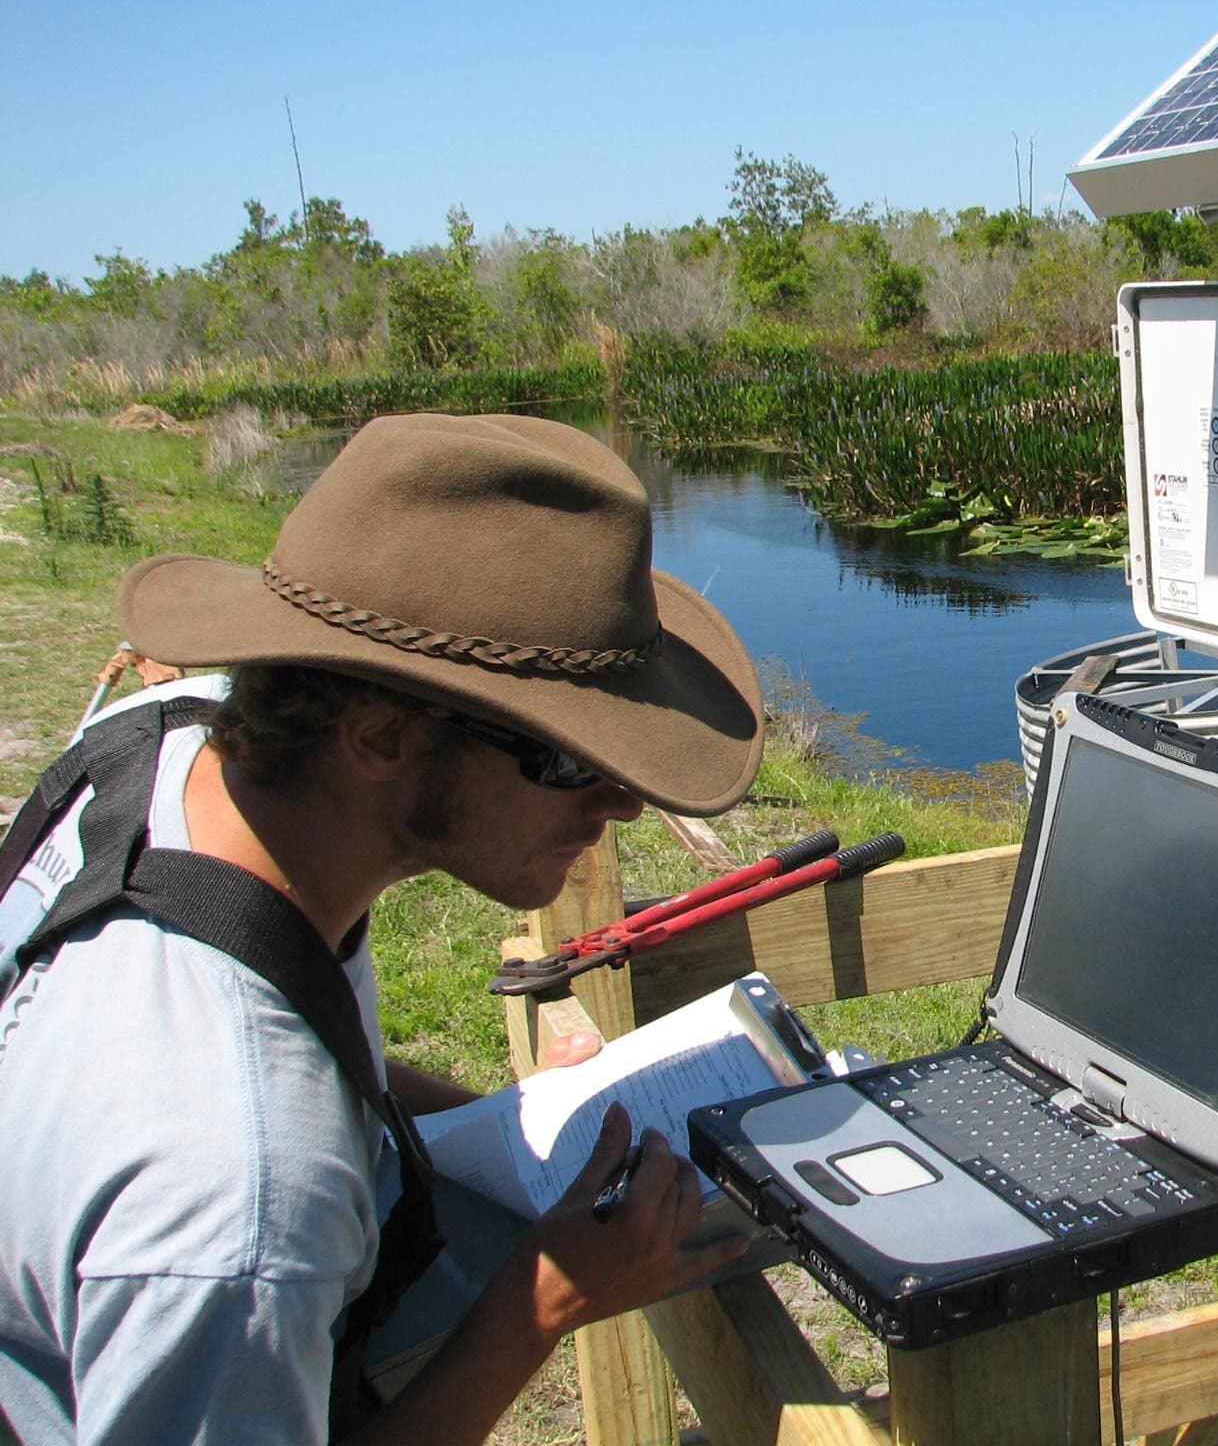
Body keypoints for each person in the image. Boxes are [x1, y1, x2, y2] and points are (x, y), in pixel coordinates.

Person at [0, 412, 768, 1444]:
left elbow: (292, 1010)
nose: (621, 807)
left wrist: (500, 1117)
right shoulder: (237, 1197)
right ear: (378, 735)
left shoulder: (171, 741)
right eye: (566, 759)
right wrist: (543, 1303)